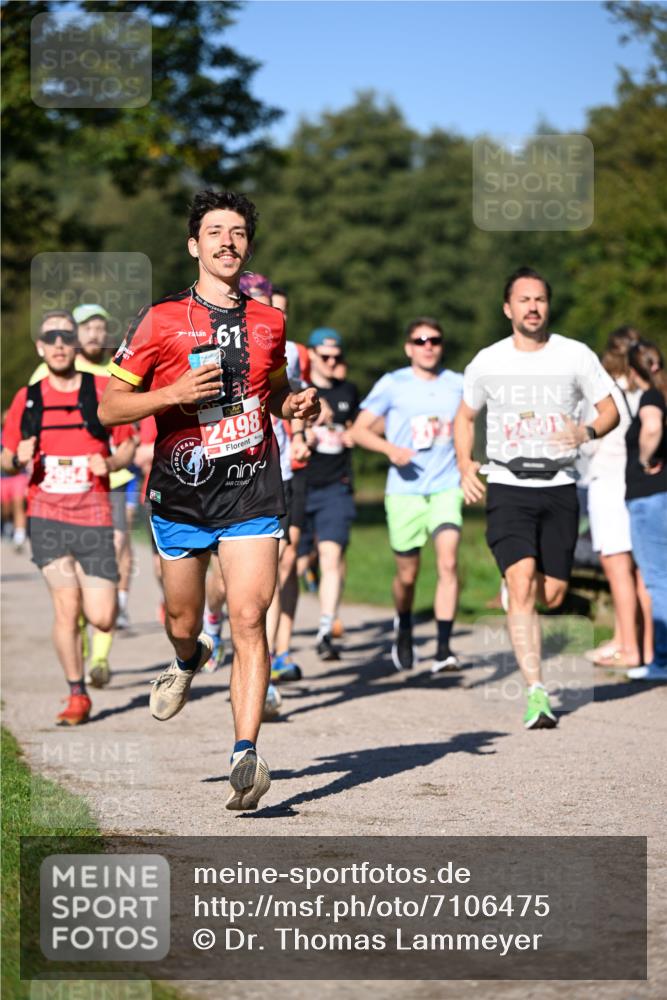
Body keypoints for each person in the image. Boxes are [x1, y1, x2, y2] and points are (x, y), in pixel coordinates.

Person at [98, 189, 320, 810]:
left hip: (252, 488)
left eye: (239, 232)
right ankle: (187, 657)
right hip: (181, 494)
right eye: (215, 232)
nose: (228, 241)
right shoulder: (159, 320)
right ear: (195, 245)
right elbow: (110, 406)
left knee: (250, 615)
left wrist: (296, 403)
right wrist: (169, 392)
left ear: (248, 245)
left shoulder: (270, 321)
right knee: (183, 619)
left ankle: (244, 754)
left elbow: (275, 388)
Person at [454, 267, 619, 729]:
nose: (532, 307)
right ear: (508, 309)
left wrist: (586, 430)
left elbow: (611, 410)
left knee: (552, 592)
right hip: (508, 484)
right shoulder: (488, 360)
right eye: (524, 300)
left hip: (560, 486)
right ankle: (536, 692)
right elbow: (464, 417)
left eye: (540, 300)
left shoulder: (576, 356)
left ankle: (519, 587)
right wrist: (467, 465)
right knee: (524, 580)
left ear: (548, 306)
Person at [1, 312, 135, 724]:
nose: (59, 343)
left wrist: (109, 461)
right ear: (41, 347)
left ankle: (92, 627)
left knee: (102, 616)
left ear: (75, 345)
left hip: (94, 511)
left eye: (66, 336)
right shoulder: (30, 397)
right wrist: (14, 459)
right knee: (66, 605)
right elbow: (5, 457)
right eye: (50, 337)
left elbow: (128, 446)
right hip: (47, 513)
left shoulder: (100, 389)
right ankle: (77, 694)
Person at [351, 318, 464, 672]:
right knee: (408, 576)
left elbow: (470, 424)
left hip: (446, 486)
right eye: (420, 340)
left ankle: (444, 649)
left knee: (448, 561)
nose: (427, 346)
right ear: (408, 347)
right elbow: (358, 430)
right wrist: (390, 450)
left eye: (434, 340)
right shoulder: (393, 384)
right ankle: (403, 622)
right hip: (404, 492)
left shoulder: (458, 384)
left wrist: (469, 463)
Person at [584, 345, 653, 669]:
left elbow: (588, 442)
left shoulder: (606, 397)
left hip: (609, 486)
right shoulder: (649, 392)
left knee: (618, 570)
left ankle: (628, 647)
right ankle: (647, 647)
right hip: (641, 488)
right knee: (644, 572)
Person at [298, 328, 359, 660]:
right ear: (311, 355)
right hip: (301, 485)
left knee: (332, 557)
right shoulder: (299, 392)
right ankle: (275, 637)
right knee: (292, 564)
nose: (332, 362)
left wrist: (354, 434)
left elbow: (362, 426)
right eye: (325, 356)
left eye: (337, 356)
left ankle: (325, 629)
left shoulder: (349, 390)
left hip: (337, 486)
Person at [624, 341, 667, 683]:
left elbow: (651, 427)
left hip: (650, 499)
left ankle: (662, 661)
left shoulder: (651, 397)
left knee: (657, 581)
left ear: (632, 370)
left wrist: (643, 458)